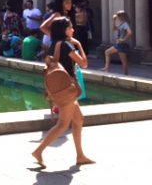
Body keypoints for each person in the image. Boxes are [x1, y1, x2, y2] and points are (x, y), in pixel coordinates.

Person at [32, 17, 94, 169]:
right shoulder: (66, 45)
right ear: (64, 30)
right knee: (63, 124)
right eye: (70, 27)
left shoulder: (54, 44)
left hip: (61, 89)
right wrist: (79, 44)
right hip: (66, 90)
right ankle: (38, 151)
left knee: (78, 119)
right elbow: (84, 64)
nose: (73, 30)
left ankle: (80, 155)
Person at [102, 10, 133, 75]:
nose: (117, 17)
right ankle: (106, 68)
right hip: (118, 44)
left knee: (124, 61)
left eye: (118, 16)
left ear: (121, 16)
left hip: (122, 44)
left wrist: (123, 39)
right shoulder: (121, 24)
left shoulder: (125, 24)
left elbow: (130, 32)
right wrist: (114, 20)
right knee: (107, 52)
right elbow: (114, 29)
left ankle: (125, 75)